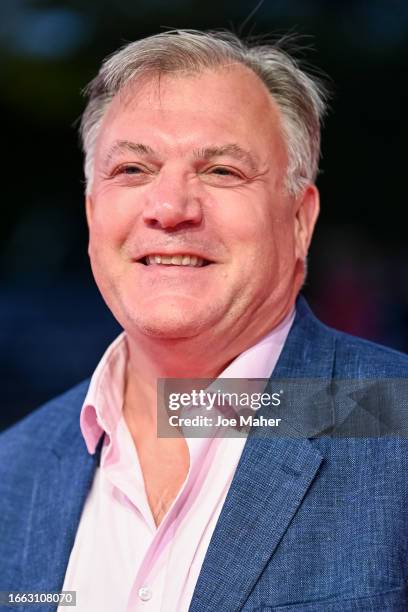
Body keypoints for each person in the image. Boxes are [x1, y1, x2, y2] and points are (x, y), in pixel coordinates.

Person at [1, 29, 408, 612]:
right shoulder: (13, 471)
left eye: (221, 171)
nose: (169, 209)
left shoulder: (396, 423)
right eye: (134, 169)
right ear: (93, 214)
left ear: (299, 220)